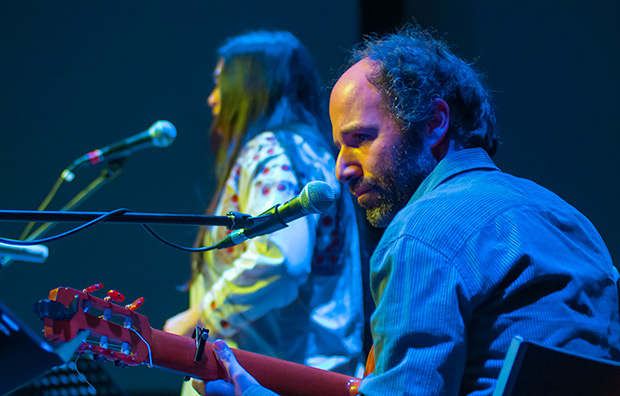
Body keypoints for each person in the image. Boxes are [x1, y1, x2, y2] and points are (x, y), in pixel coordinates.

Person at [190, 24, 620, 396]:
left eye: (360, 139)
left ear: (434, 122)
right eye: (339, 145)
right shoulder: (570, 221)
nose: (340, 169)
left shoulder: (423, 233)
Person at [163, 30, 365, 395]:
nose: (212, 99)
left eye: (221, 83)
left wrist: (200, 317)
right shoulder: (314, 150)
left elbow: (281, 260)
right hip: (317, 372)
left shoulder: (271, 151)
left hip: (267, 376)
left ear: (251, 84)